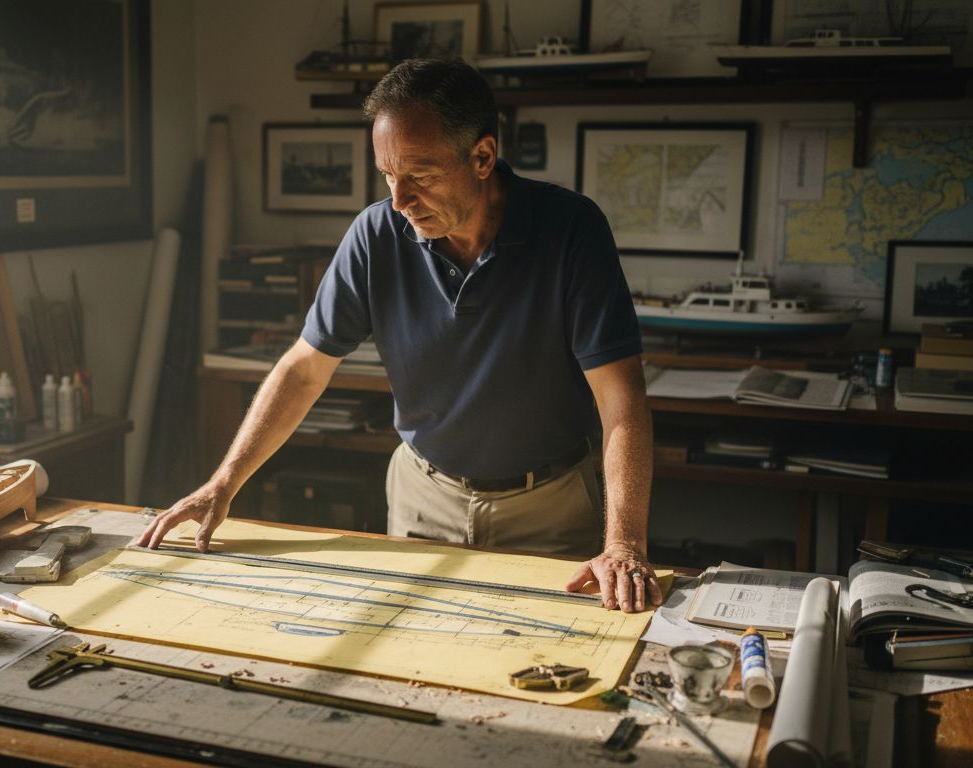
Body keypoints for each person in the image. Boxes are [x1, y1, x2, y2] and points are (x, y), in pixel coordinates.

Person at [140, 59, 660, 614]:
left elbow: (621, 399)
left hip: (549, 509)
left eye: (420, 176)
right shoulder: (376, 234)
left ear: (482, 157)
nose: (399, 200)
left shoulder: (571, 230)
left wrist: (623, 544)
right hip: (423, 497)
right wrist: (222, 483)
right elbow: (304, 369)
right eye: (388, 174)